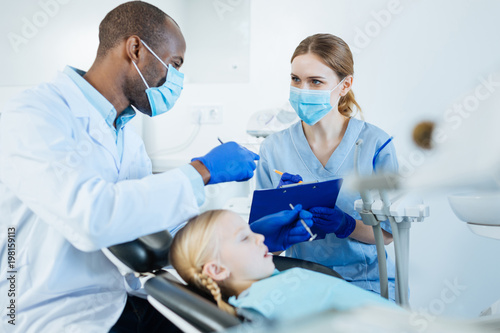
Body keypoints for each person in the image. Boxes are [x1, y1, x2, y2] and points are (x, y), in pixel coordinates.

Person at [0, 2, 267, 332]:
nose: (175, 81)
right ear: (136, 49)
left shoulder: (126, 133)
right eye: (173, 64)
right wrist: (201, 170)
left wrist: (257, 233)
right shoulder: (32, 115)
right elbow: (91, 218)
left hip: (124, 296)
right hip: (50, 311)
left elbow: (151, 226)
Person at [254, 33, 399, 299]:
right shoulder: (274, 149)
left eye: (316, 82)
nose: (302, 90)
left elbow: (389, 233)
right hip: (302, 282)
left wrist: (347, 225)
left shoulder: (374, 144)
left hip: (365, 285)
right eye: (295, 79)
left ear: (345, 85)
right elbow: (266, 248)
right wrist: (279, 227)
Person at [169, 209, 400, 321]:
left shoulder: (275, 285)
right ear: (217, 270)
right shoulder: (266, 304)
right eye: (244, 237)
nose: (260, 237)